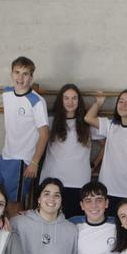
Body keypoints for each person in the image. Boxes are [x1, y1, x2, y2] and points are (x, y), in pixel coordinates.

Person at [0, 56, 50, 216]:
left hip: (22, 161)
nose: (20, 78)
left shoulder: (36, 101)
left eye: (25, 74)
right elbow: (6, 105)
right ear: (12, 74)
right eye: (17, 72)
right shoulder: (7, 92)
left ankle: (13, 237)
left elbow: (44, 134)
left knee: (14, 206)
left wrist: (34, 162)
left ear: (31, 77)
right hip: (5, 156)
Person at [85, 89, 127, 215]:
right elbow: (88, 118)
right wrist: (98, 103)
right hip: (108, 190)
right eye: (120, 101)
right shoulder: (111, 125)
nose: (123, 105)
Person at [42, 83, 98, 219]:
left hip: (79, 182)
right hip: (52, 181)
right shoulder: (50, 121)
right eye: (66, 98)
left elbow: (107, 144)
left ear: (79, 101)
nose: (70, 102)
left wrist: (94, 163)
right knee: (49, 222)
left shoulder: (87, 124)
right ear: (60, 100)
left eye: (74, 98)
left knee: (73, 224)